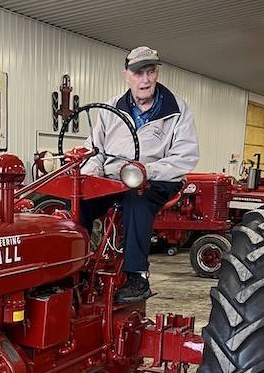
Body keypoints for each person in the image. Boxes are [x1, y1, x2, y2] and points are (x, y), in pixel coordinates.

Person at [82, 46, 200, 302]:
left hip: (157, 179)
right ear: (127, 75)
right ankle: (75, 265)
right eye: (138, 73)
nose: (145, 80)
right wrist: (90, 176)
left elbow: (185, 156)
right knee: (77, 201)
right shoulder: (112, 107)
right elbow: (95, 149)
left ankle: (137, 275)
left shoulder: (177, 109)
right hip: (112, 178)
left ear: (156, 73)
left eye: (150, 72)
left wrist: (148, 170)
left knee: (137, 200)